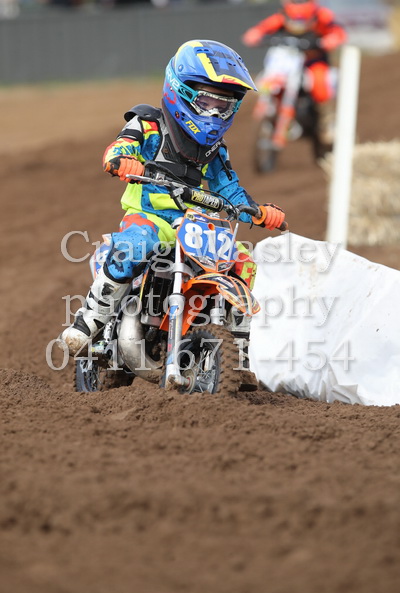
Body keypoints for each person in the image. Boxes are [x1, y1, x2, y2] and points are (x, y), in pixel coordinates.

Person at [59, 39, 286, 356]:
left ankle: (241, 352)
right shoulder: (148, 125)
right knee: (134, 246)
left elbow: (229, 188)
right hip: (151, 217)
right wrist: (122, 160)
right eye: (207, 102)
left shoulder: (215, 150)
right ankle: (89, 320)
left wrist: (258, 212)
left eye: (224, 106)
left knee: (242, 263)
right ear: (180, 91)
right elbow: (120, 148)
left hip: (195, 224)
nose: (215, 112)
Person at [242, 0, 347, 144]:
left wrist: (328, 41)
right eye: (293, 21)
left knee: (320, 83)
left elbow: (338, 33)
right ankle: (273, 112)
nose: (298, 26)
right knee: (272, 78)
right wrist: (255, 35)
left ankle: (327, 121)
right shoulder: (280, 17)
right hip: (288, 60)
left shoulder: (323, 16)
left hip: (313, 59)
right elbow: (258, 30)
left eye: (303, 21)